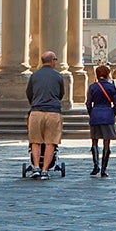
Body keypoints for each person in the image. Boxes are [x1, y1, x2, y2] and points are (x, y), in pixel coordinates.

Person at [26, 50, 65, 179]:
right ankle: (45, 170)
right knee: (50, 142)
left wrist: (35, 103)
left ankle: (36, 167)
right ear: (52, 61)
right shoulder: (58, 76)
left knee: (35, 142)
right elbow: (61, 94)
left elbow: (29, 93)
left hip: (36, 111)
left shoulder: (34, 75)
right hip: (53, 111)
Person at [85, 63, 116, 178]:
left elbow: (88, 103)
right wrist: (112, 113)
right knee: (107, 142)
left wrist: (92, 113)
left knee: (94, 141)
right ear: (107, 74)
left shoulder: (93, 87)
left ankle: (95, 165)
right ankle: (104, 169)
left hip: (96, 114)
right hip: (107, 115)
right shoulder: (111, 87)